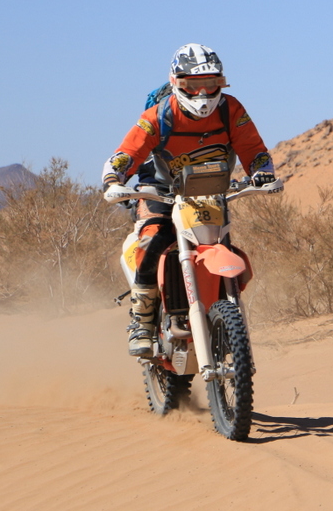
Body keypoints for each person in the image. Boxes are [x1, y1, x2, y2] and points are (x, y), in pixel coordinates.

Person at [102, 43, 279, 357]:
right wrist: (114, 179)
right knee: (154, 239)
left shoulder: (231, 111)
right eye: (193, 85)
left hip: (210, 189)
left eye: (210, 84)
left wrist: (262, 173)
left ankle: (222, 312)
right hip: (160, 189)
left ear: (221, 83)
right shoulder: (159, 115)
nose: (202, 94)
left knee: (220, 240)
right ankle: (142, 321)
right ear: (176, 83)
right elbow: (127, 153)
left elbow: (254, 149)